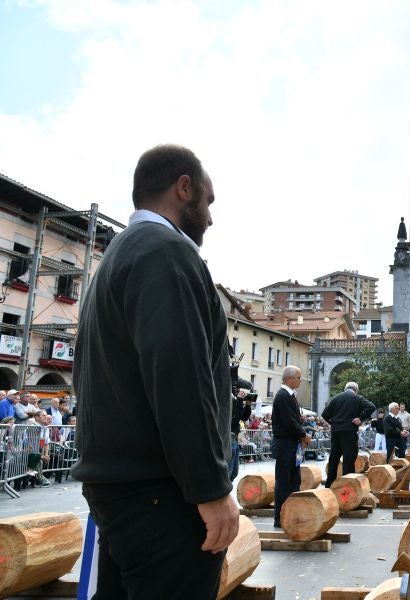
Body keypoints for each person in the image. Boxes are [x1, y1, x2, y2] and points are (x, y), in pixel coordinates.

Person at [72, 144, 239, 598]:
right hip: (162, 495)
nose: (210, 217)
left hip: (124, 488)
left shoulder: (122, 254)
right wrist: (210, 488)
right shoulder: (165, 252)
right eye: (208, 201)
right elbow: (180, 379)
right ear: (184, 188)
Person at [271, 366, 308, 528]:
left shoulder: (289, 395)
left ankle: (291, 514)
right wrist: (304, 435)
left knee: (294, 481)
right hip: (285, 445)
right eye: (299, 377)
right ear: (290, 378)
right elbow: (290, 422)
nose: (300, 380)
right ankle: (280, 518)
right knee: (284, 483)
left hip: (292, 445)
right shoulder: (283, 396)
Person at [322, 382, 375, 488]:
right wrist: (360, 418)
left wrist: (334, 423)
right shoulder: (356, 398)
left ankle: (328, 485)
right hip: (349, 431)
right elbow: (371, 406)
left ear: (345, 389)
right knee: (348, 459)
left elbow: (324, 414)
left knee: (333, 459)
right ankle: (347, 485)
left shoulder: (335, 398)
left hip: (336, 432)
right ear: (356, 390)